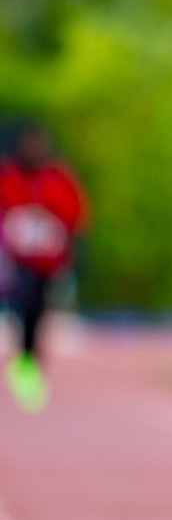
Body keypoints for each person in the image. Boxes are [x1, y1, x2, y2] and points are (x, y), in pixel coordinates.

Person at [0, 123, 88, 411]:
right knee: (21, 303)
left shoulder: (57, 179)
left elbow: (76, 215)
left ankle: (30, 359)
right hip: (13, 260)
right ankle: (25, 358)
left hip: (46, 263)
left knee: (37, 310)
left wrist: (60, 240)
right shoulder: (8, 176)